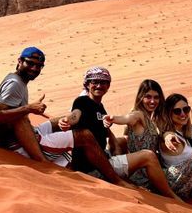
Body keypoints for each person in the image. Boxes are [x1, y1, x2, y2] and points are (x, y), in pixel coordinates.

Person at [70, 67, 180, 198]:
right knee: (148, 156)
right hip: (93, 170)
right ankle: (172, 197)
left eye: (103, 82)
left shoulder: (99, 107)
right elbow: (76, 114)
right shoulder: (82, 101)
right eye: (95, 82)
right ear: (87, 84)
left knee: (122, 141)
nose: (99, 85)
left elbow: (110, 134)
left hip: (102, 162)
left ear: (108, 85)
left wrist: (115, 145)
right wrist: (114, 118)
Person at [0, 47, 78, 167]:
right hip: (17, 144)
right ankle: (43, 162)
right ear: (20, 61)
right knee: (83, 136)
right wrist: (29, 108)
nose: (34, 68)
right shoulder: (14, 84)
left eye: (39, 66)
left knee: (67, 120)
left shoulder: (19, 81)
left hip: (28, 133)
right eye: (30, 63)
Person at [104, 78, 165, 164]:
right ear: (141, 97)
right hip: (143, 170)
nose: (152, 101)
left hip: (152, 165)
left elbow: (127, 137)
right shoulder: (139, 114)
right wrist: (113, 118)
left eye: (156, 97)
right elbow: (128, 118)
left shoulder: (153, 118)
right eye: (148, 97)